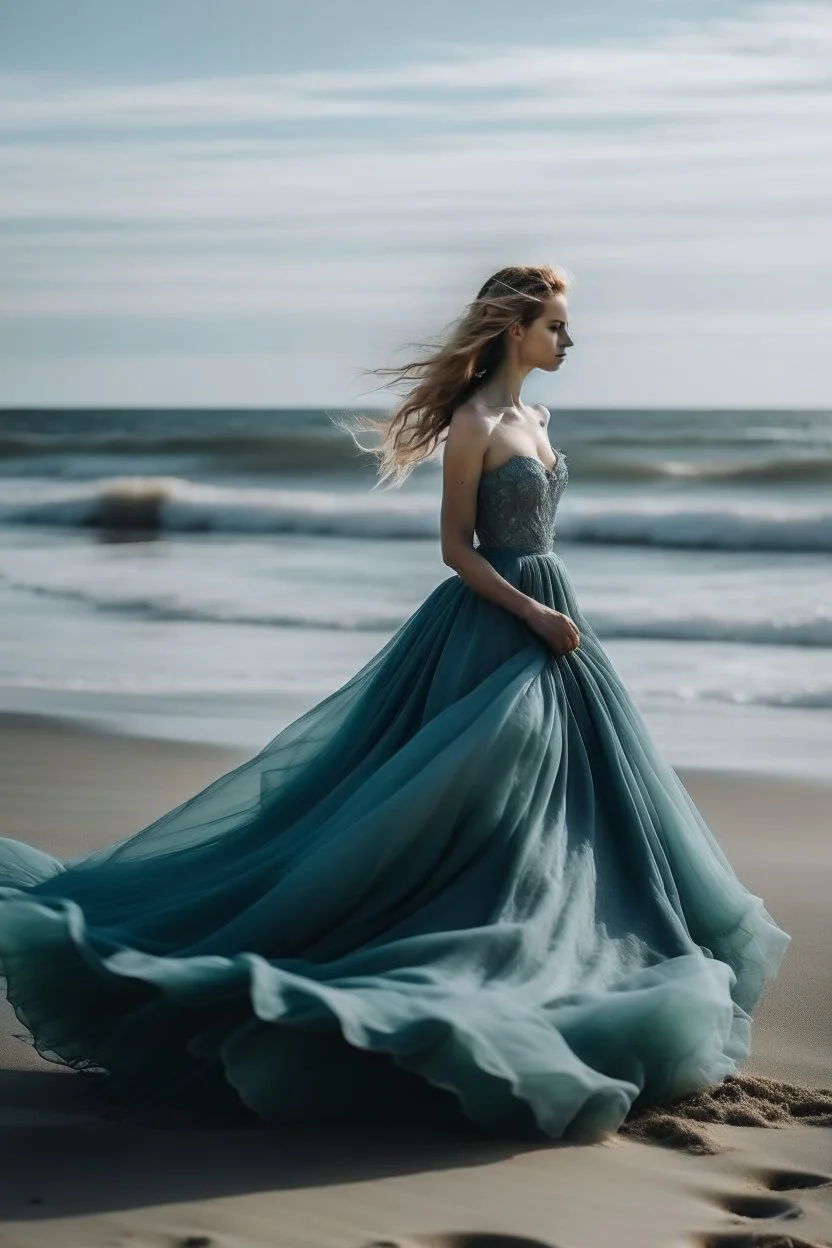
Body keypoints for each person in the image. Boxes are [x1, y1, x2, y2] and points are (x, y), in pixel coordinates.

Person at [0, 263, 790, 1143]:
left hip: (555, 616)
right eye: (557, 326)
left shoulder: (537, 417)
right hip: (499, 622)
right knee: (473, 798)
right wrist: (533, 613)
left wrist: (553, 614)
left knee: (575, 804)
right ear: (513, 329)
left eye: (568, 327)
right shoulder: (475, 422)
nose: (570, 341)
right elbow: (458, 550)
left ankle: (559, 936)